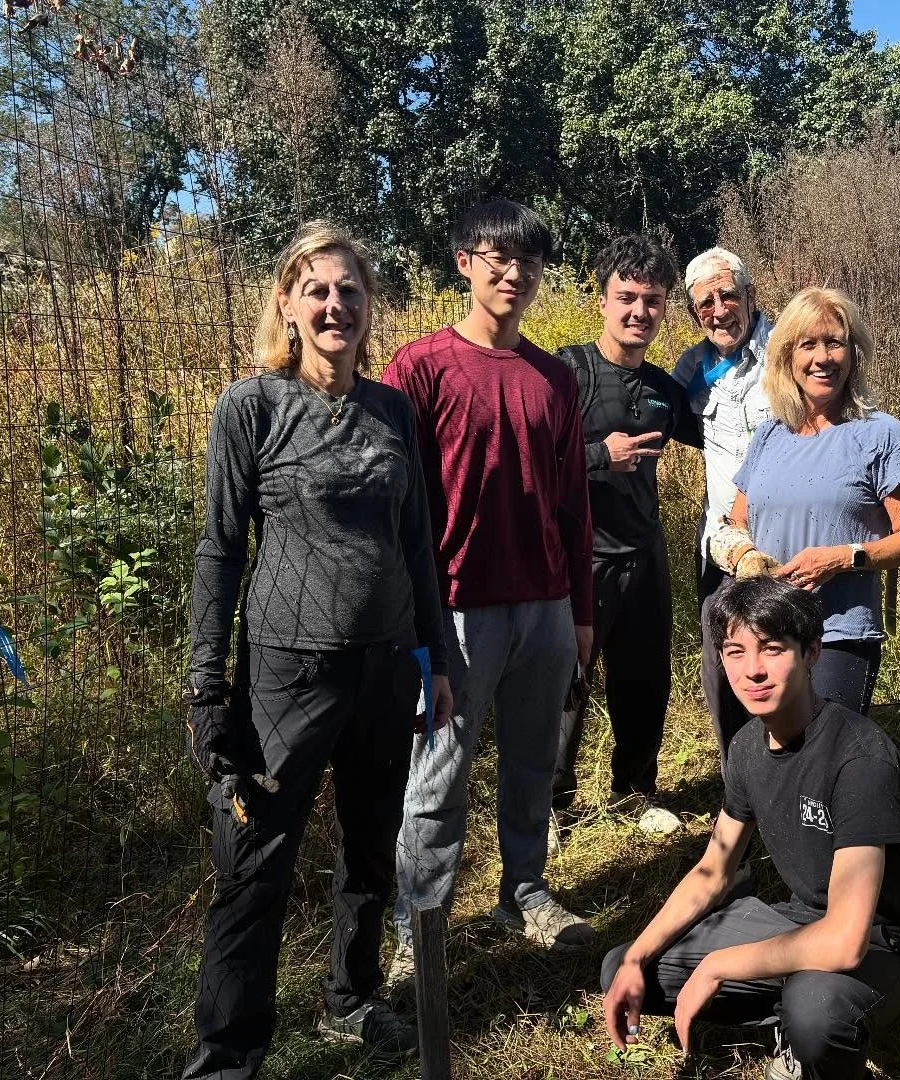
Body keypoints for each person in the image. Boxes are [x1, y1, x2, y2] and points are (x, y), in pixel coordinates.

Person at [181, 221, 454, 1079]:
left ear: (370, 307)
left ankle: (353, 998)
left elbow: (419, 545)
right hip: (285, 675)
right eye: (318, 290)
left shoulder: (393, 411)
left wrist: (438, 658)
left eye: (351, 291)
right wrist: (205, 684)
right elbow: (221, 548)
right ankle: (228, 1057)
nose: (336, 305)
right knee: (254, 865)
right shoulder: (252, 406)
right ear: (289, 306)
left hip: (386, 668)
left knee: (371, 846)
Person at [600, 576, 900, 1080]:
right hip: (797, 923)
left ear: (811, 653)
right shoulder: (746, 747)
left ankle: (808, 1033)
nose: (753, 671)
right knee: (623, 968)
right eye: (735, 652)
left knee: (815, 1009)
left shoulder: (858, 756)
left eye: (772, 649)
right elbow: (713, 871)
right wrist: (637, 956)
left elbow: (848, 939)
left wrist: (720, 965)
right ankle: (783, 1009)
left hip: (884, 950)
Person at [383, 200, 596, 971]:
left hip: (544, 605)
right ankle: (419, 929)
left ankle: (524, 890)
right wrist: (409, 618)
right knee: (437, 774)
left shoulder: (554, 378)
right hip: (454, 611)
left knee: (535, 760)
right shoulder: (420, 368)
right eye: (497, 257)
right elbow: (393, 499)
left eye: (529, 261)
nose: (514, 273)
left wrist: (580, 610)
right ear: (464, 262)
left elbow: (574, 502)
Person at [708, 287, 900, 722]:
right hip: (766, 633)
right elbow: (736, 525)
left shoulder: (880, 434)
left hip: (838, 635)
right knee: (773, 763)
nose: (823, 357)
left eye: (835, 342)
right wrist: (745, 557)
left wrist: (844, 557)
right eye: (808, 344)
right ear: (788, 358)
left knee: (821, 762)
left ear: (853, 354)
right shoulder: (770, 436)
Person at [549, 234, 702, 837]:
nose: (639, 311)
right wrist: (595, 455)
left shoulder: (666, 389)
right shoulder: (566, 373)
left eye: (653, 300)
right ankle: (554, 803)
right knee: (568, 686)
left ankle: (635, 792)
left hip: (645, 554)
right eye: (627, 297)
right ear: (603, 296)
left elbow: (731, 436)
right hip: (579, 559)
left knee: (645, 680)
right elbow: (528, 460)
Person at [670, 247, 774, 767]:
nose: (718, 309)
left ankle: (790, 771)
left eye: (727, 294)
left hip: (783, 537)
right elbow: (692, 432)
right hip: (722, 540)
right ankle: (739, 777)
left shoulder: (786, 350)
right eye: (703, 303)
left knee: (782, 654)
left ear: (750, 295)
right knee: (725, 659)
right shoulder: (692, 367)